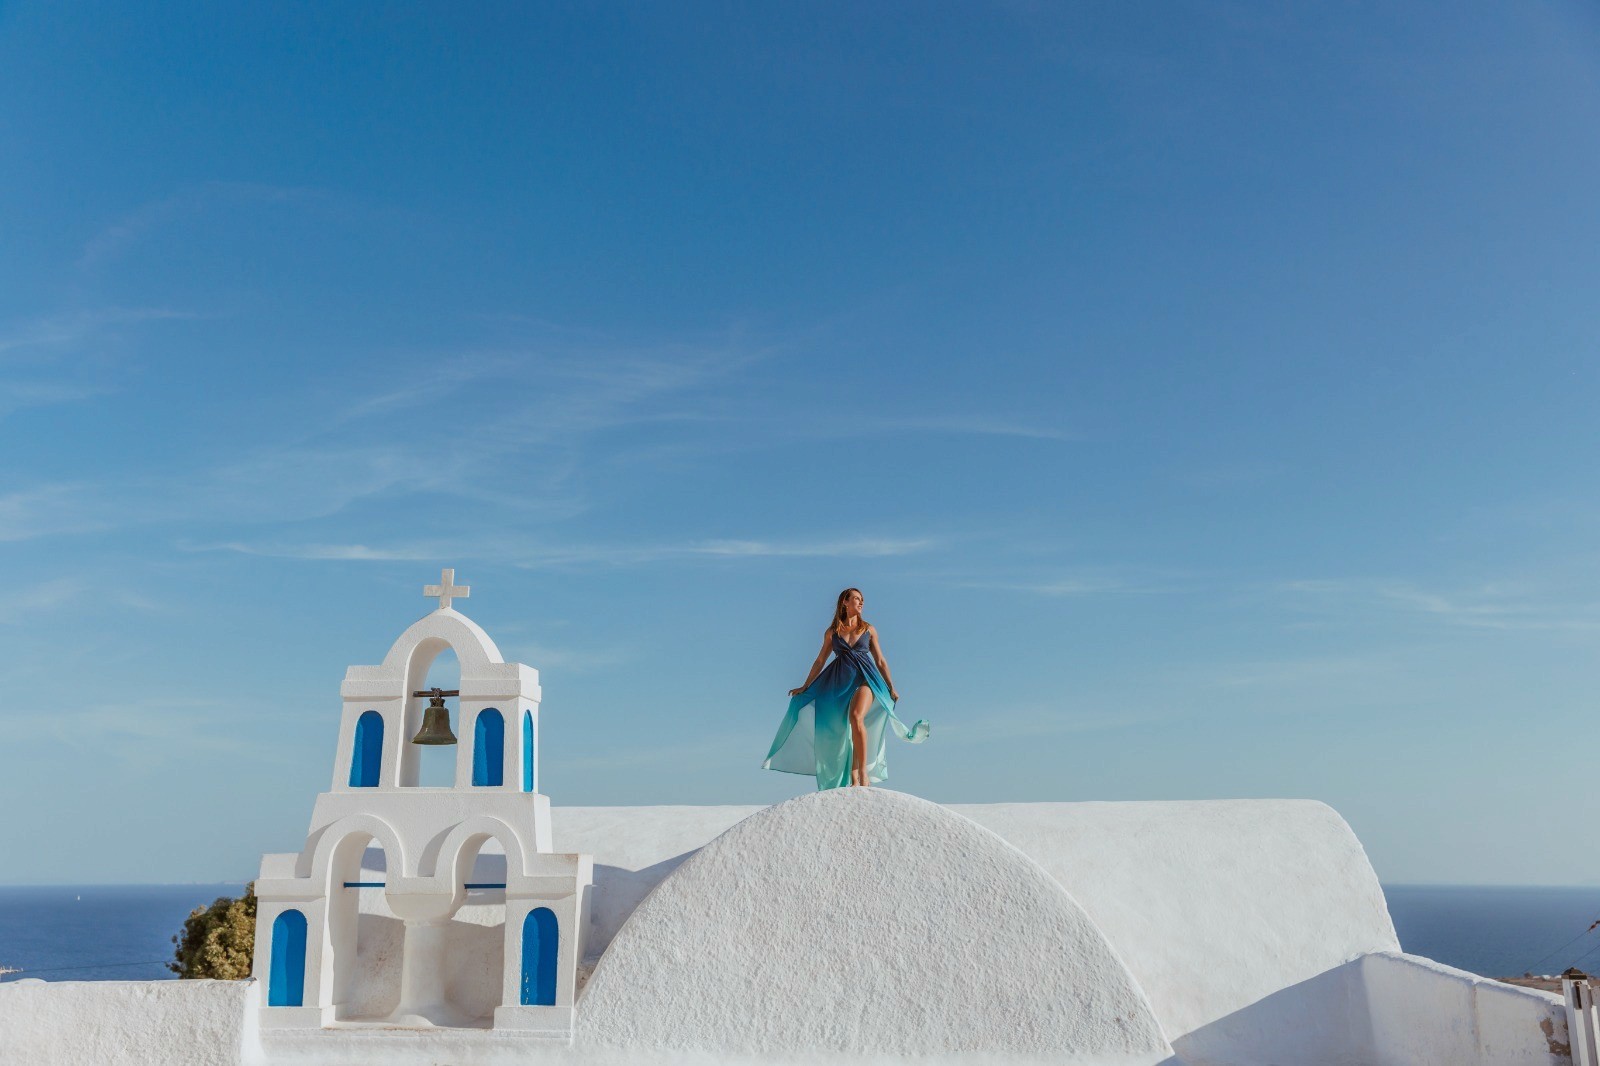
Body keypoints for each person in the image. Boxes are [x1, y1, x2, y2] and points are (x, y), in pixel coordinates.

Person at [762, 587, 929, 790]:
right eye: (856, 599)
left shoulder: (868, 629)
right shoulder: (832, 633)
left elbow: (880, 660)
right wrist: (805, 685)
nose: (861, 602)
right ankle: (853, 777)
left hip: (866, 679)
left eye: (862, 599)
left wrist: (891, 687)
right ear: (845, 602)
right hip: (839, 682)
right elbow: (820, 661)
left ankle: (862, 773)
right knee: (841, 729)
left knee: (856, 717)